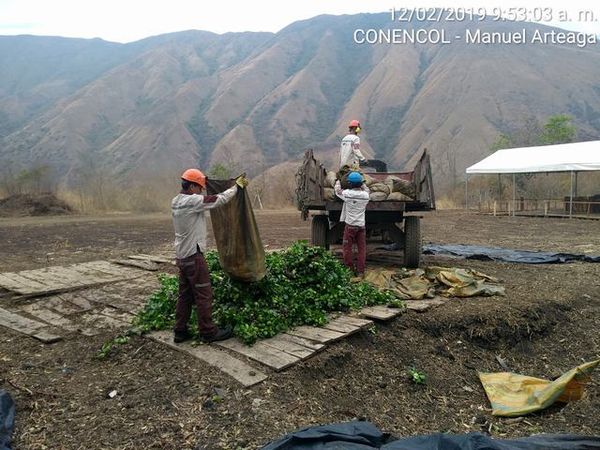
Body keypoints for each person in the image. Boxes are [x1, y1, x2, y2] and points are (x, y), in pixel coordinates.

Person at [171, 168, 248, 343]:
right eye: (199, 187)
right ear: (191, 186)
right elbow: (218, 200)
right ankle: (208, 332)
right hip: (194, 256)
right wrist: (236, 187)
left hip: (182, 257)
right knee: (203, 294)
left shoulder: (176, 201)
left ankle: (180, 331)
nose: (200, 191)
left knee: (185, 295)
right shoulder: (192, 201)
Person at [334, 171, 370, 277]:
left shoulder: (347, 194)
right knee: (362, 249)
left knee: (347, 248)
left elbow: (337, 191)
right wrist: (363, 183)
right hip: (361, 227)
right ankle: (360, 272)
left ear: (349, 184)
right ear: (360, 183)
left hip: (350, 227)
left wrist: (338, 181)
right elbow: (367, 189)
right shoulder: (365, 196)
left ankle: (349, 270)